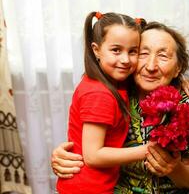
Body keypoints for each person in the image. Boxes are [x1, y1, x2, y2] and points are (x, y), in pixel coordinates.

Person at [52, 20, 189, 194]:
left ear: (178, 68)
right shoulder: (114, 92)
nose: (151, 66)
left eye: (163, 56)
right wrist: (62, 155)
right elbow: (88, 144)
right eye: (143, 53)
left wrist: (173, 168)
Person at [56, 11, 156, 194]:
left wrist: (179, 80)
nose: (125, 60)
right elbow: (93, 156)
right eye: (116, 50)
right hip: (88, 189)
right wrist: (149, 149)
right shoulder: (99, 93)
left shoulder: (113, 81)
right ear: (96, 50)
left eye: (133, 51)